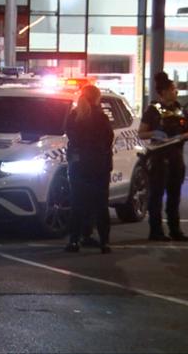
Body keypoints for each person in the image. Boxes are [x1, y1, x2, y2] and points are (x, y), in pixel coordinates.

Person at [138, 71, 188, 242]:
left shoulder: (180, 110)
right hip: (159, 159)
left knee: (175, 196)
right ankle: (156, 231)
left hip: (176, 158)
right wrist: (154, 133)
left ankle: (175, 230)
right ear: (163, 92)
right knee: (156, 196)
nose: (176, 92)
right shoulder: (153, 110)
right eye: (173, 89)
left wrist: (183, 136)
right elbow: (141, 133)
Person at [64, 84, 114, 254]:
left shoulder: (74, 116)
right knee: (101, 205)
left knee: (77, 203)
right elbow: (108, 140)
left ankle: (74, 241)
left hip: (79, 165)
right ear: (97, 98)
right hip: (99, 166)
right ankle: (104, 242)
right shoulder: (101, 117)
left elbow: (71, 137)